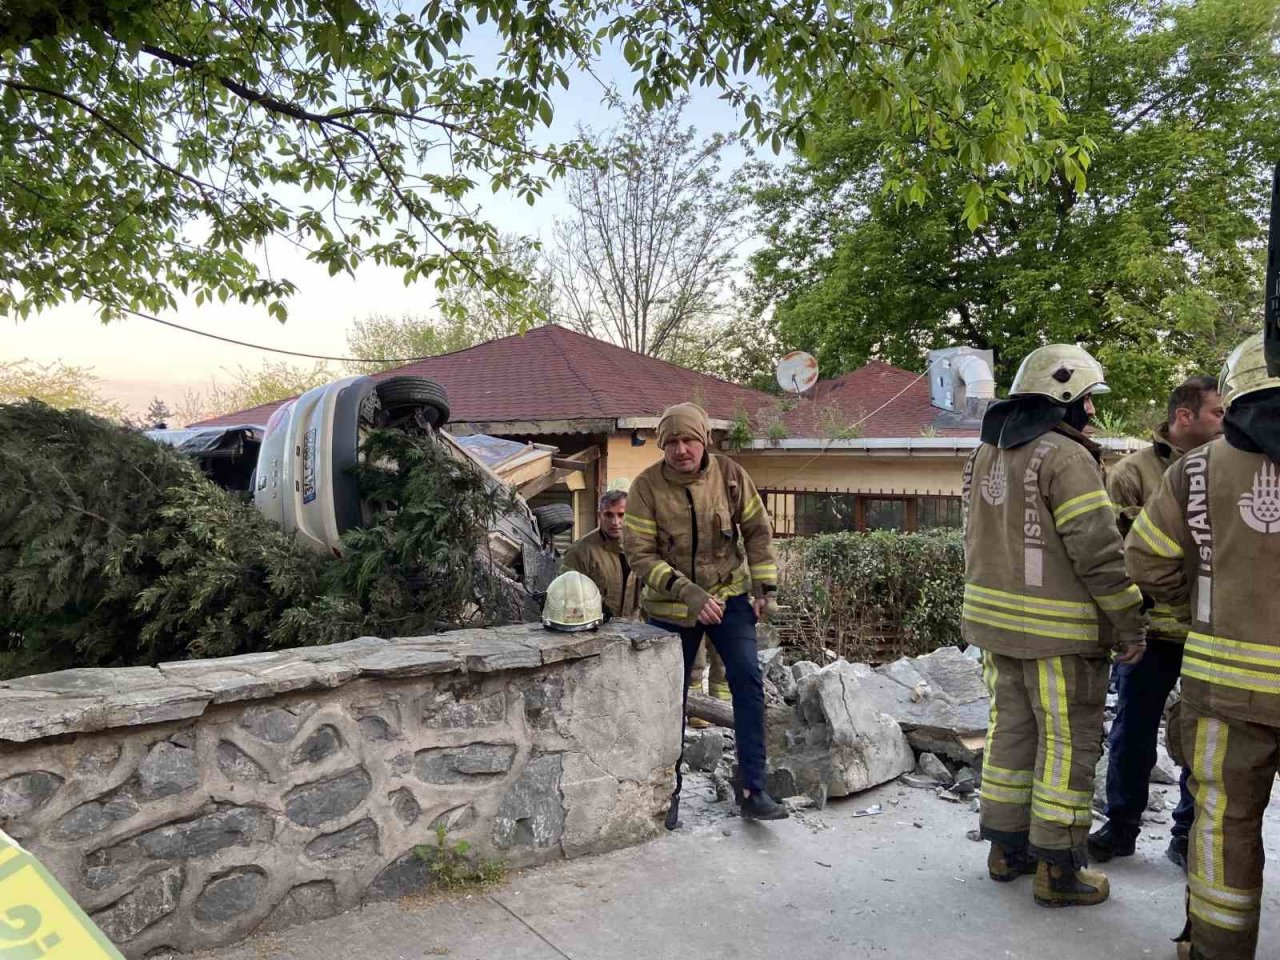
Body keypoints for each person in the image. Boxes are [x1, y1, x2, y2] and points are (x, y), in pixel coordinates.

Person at [962, 344, 1146, 907]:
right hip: (1060, 636)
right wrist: (1129, 623)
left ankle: (1005, 850)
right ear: (1063, 396)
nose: (1091, 412)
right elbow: (1097, 549)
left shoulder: (987, 451)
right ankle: (1059, 870)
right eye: (1087, 400)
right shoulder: (1066, 457)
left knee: (1010, 735)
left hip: (995, 629)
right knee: (1068, 745)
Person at [1126, 332, 1280, 960]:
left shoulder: (1196, 468)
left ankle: (1216, 947)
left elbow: (1146, 557)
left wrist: (1203, 603)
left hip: (1226, 688)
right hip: (1225, 687)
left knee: (1222, 821)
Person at [622, 401, 787, 825]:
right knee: (667, 699)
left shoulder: (731, 475)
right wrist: (689, 593)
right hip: (672, 606)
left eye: (689, 440)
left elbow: (757, 530)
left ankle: (752, 786)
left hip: (730, 595)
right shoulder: (645, 487)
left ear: (704, 440)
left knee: (748, 682)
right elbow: (639, 555)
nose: (681, 450)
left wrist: (763, 588)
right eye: (672, 442)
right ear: (662, 446)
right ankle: (667, 792)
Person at [1088, 376, 1224, 870]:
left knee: (1204, 738)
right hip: (1152, 631)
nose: (1225, 423)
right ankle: (1121, 826)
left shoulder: (1225, 471)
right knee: (1133, 730)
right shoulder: (1130, 474)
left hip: (1211, 633)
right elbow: (1119, 554)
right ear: (1183, 417)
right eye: (1217, 413)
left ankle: (1186, 834)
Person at [561, 490, 641, 621]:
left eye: (621, 515)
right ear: (599, 516)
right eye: (608, 515)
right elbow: (567, 599)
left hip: (636, 631)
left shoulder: (642, 548)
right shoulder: (580, 552)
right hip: (597, 632)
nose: (615, 522)